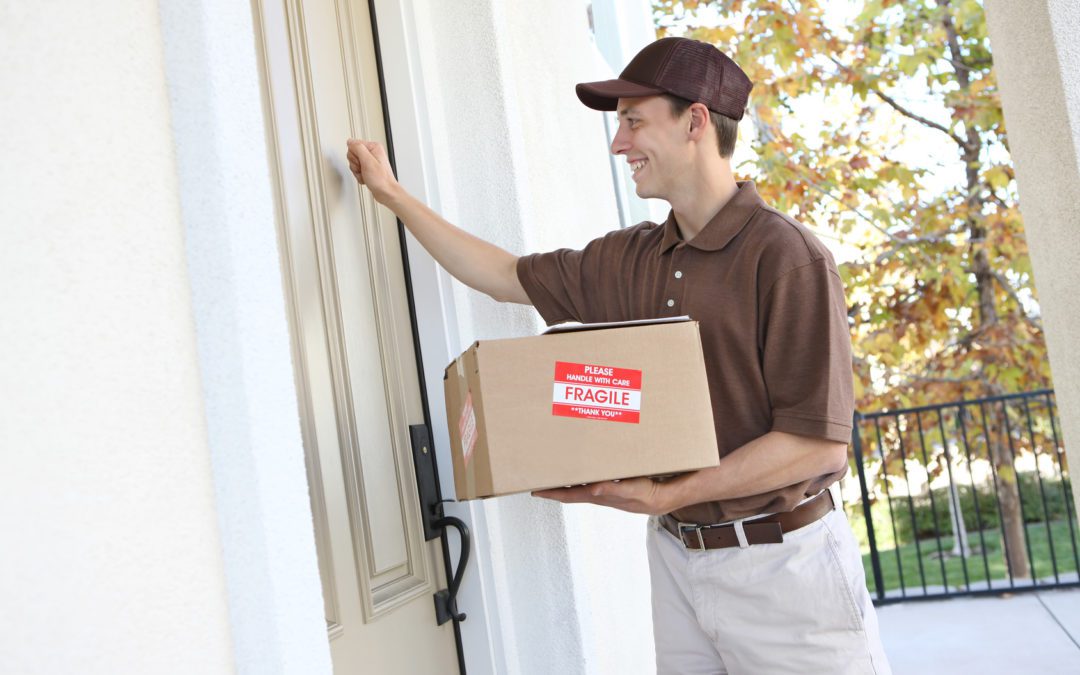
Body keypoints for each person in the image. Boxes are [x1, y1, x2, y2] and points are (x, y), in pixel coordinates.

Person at [347, 36, 890, 675]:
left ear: (694, 121)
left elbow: (815, 446)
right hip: (678, 560)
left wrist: (671, 493)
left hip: (784, 569)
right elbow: (503, 275)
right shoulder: (632, 258)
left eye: (634, 121)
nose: (619, 143)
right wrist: (392, 195)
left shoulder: (787, 258)